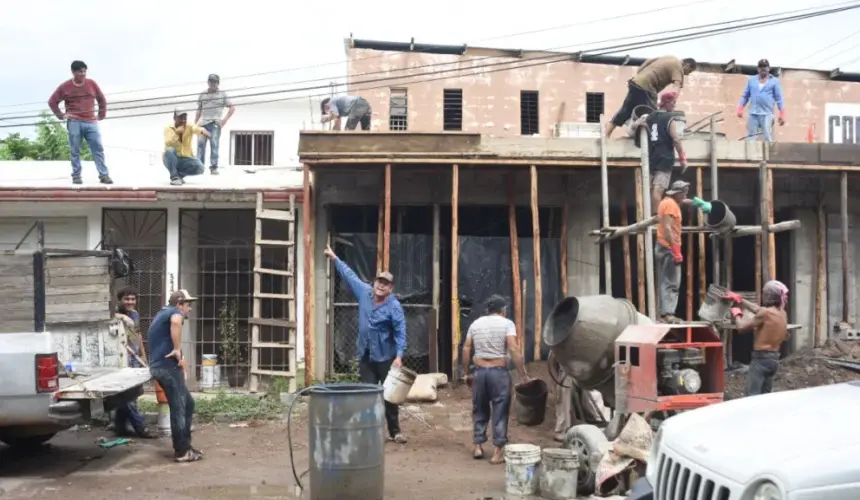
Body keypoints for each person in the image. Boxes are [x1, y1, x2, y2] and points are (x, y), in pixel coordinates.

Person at [323, 245, 408, 443]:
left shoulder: (394, 307)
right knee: (367, 394)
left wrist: (399, 356)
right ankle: (369, 430)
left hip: (386, 357)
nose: (381, 286)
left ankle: (395, 432)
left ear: (390, 288)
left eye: (386, 284)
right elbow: (349, 275)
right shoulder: (364, 293)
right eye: (379, 281)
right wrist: (335, 258)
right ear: (375, 282)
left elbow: (400, 331)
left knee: (388, 396)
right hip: (365, 355)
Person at [461, 295, 529, 465]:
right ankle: (498, 451)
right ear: (503, 310)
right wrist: (523, 374)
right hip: (499, 373)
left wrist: (465, 373)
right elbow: (513, 348)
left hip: (479, 372)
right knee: (500, 410)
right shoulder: (507, 324)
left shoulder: (475, 324)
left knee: (479, 408)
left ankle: (477, 445)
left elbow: (466, 348)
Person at [147, 289, 202, 462]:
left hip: (163, 367)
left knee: (188, 404)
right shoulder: (174, 313)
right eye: (188, 305)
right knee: (179, 407)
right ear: (179, 303)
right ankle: (182, 452)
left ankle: (186, 445)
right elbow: (177, 322)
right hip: (167, 367)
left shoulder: (162, 313)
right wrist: (177, 350)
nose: (189, 309)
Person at [48, 60, 113, 185]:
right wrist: (60, 115)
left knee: (97, 148)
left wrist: (101, 114)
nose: (83, 74)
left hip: (91, 121)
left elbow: (101, 99)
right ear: (73, 72)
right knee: (75, 150)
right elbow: (52, 101)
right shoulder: (65, 87)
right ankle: (76, 176)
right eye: (80, 72)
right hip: (74, 121)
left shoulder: (91, 84)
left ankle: (104, 175)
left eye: (84, 71)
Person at [606, 56, 697, 138]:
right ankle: (649, 140)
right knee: (653, 116)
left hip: (636, 82)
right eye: (689, 71)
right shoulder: (678, 67)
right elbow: (676, 86)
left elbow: (649, 61)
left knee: (625, 110)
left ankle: (606, 134)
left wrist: (638, 73)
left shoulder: (669, 57)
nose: (687, 74)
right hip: (647, 88)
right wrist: (672, 102)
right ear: (687, 66)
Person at [633, 92, 688, 212]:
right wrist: (683, 159)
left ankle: (650, 216)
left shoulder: (649, 117)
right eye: (673, 103)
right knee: (658, 189)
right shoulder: (670, 119)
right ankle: (657, 218)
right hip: (665, 160)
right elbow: (676, 140)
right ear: (666, 103)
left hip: (651, 159)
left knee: (650, 190)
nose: (674, 105)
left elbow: (634, 126)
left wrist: (638, 124)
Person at [732, 280, 789, 397]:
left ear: (768, 295)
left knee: (751, 396)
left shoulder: (765, 313)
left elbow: (741, 328)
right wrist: (740, 300)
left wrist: (737, 314)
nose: (762, 296)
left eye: (763, 293)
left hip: (761, 360)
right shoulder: (782, 313)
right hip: (774, 360)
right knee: (765, 397)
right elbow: (758, 309)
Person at [113, 287, 154, 439]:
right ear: (120, 300)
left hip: (134, 357)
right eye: (127, 299)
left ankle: (120, 427)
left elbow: (137, 334)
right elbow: (107, 315)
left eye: (133, 299)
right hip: (121, 360)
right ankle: (141, 428)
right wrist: (121, 317)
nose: (130, 302)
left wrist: (143, 355)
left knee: (131, 394)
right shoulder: (115, 314)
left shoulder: (135, 314)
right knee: (128, 396)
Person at [655, 180, 690, 323]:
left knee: (666, 281)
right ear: (677, 193)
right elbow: (668, 229)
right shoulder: (671, 205)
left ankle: (665, 314)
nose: (685, 196)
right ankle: (668, 314)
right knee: (672, 283)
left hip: (662, 245)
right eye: (684, 194)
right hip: (669, 247)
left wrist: (695, 202)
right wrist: (676, 250)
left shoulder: (666, 202)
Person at [737, 59, 786, 142]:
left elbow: (779, 98)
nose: (763, 69)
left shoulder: (774, 81)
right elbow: (745, 96)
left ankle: (769, 153)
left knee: (766, 135)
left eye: (765, 67)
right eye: (761, 67)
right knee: (751, 137)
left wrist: (782, 114)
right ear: (758, 69)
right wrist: (740, 109)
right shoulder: (751, 80)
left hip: (767, 114)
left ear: (769, 68)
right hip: (753, 113)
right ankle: (751, 154)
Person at [195, 74, 235, 175]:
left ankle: (213, 167)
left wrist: (224, 121)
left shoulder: (222, 94)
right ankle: (199, 166)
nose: (213, 84)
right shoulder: (203, 94)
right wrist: (195, 124)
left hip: (215, 124)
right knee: (200, 144)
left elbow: (232, 107)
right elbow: (199, 110)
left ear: (218, 83)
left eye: (215, 82)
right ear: (208, 82)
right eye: (211, 81)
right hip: (203, 123)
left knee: (214, 144)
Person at [164, 109, 210, 186]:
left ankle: (179, 175)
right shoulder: (168, 128)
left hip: (185, 159)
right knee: (169, 150)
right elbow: (169, 142)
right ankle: (175, 177)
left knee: (200, 168)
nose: (183, 120)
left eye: (185, 118)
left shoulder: (189, 126)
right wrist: (178, 132)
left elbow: (196, 129)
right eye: (180, 118)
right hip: (172, 158)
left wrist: (203, 131)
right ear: (174, 118)